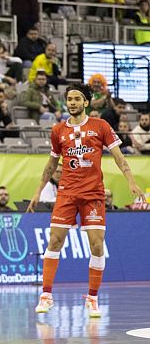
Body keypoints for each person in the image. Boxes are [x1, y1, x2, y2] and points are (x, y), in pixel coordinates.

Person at [27, 83, 143, 319]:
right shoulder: (58, 130)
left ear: (86, 102)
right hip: (67, 193)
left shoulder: (101, 126)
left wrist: (131, 181)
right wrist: (38, 191)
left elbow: (119, 157)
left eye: (77, 99)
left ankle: (92, 298)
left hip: (93, 195)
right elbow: (51, 165)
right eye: (69, 99)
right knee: (55, 241)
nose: (72, 103)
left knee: (97, 246)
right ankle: (46, 295)